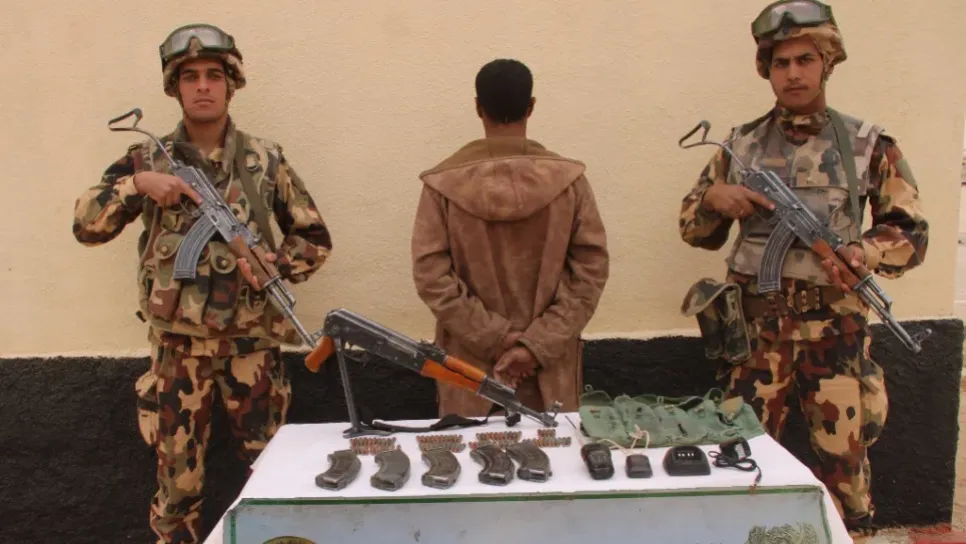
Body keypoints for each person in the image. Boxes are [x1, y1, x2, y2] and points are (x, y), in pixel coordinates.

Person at [72, 23, 332, 544]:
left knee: (271, 479)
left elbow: (314, 238)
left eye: (214, 75)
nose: (203, 86)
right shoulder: (148, 158)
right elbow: (86, 226)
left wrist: (275, 265)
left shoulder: (264, 159)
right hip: (177, 354)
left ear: (231, 84)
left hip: (251, 350)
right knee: (177, 490)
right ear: (175, 87)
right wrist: (136, 185)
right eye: (190, 77)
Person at [678, 1, 928, 537]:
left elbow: (911, 233)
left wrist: (863, 253)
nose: (792, 73)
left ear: (827, 62)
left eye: (805, 60)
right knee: (738, 462)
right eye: (780, 62)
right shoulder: (739, 145)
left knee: (846, 473)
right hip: (754, 338)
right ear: (767, 70)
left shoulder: (867, 144)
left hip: (836, 338)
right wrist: (715, 201)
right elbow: (693, 230)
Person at [411, 58, 609, 419]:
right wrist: (536, 345)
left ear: (478, 107)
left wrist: (496, 337)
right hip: (549, 377)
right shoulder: (570, 184)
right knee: (555, 454)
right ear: (530, 106)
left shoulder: (442, 187)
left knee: (468, 454)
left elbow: (432, 278)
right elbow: (589, 275)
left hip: (470, 376)